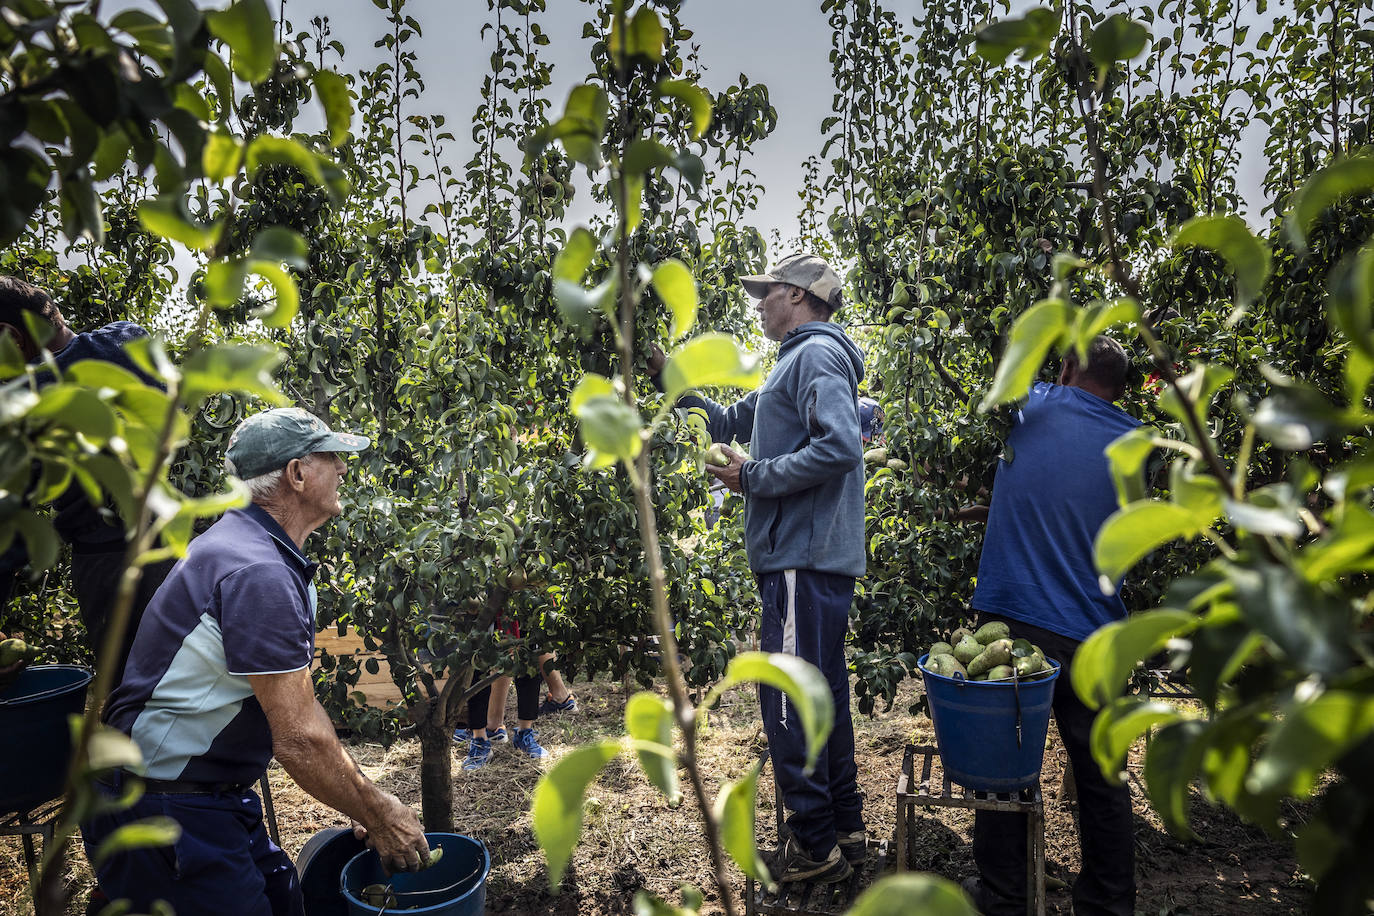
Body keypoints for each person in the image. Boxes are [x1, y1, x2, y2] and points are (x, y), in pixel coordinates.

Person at [83, 407, 430, 915]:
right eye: (332, 457)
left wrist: (358, 798)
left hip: (204, 799)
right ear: (296, 474)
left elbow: (301, 708)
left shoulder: (252, 549)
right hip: (164, 809)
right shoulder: (257, 571)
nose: (343, 469)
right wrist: (378, 813)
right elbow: (298, 738)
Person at [649, 253, 867, 884]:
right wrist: (669, 375)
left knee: (790, 701)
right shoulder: (791, 364)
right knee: (821, 697)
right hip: (803, 560)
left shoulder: (818, 357)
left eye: (766, 294)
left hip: (803, 557)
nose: (758, 304)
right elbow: (728, 419)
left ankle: (811, 844)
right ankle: (843, 828)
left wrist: (753, 477)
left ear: (797, 296)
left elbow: (839, 446)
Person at [961, 336, 1140, 916]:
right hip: (1095, 634)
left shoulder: (1031, 404)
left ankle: (1004, 898)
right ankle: (1109, 905)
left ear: (1064, 367)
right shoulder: (1139, 444)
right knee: (1102, 782)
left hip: (1015, 625)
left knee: (1004, 769)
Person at [0, 276, 176, 685]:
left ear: (10, 335)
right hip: (171, 547)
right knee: (187, 679)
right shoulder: (130, 337)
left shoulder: (28, 400)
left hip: (108, 563)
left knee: (132, 691)